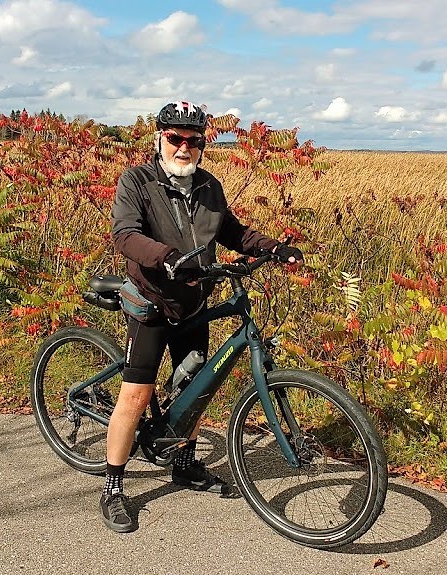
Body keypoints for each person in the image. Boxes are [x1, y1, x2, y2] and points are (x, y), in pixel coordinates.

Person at [104, 101, 303, 533]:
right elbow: (125, 234)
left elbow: (231, 231)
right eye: (175, 138)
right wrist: (167, 258)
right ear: (159, 138)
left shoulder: (209, 186)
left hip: (194, 302)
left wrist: (271, 247)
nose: (184, 147)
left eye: (193, 141)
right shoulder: (137, 181)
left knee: (197, 389)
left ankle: (186, 465)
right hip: (153, 302)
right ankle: (114, 486)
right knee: (137, 396)